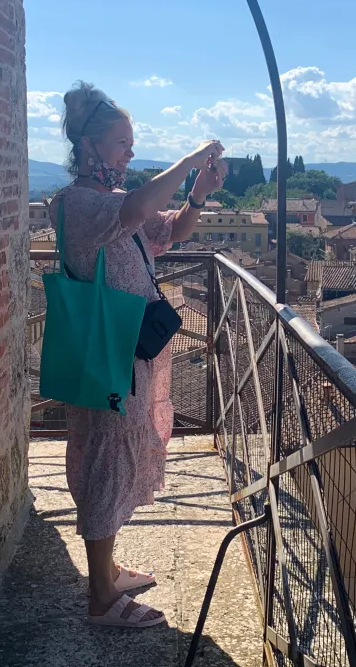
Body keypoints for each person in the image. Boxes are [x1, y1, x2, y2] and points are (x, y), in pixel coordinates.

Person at [51, 81, 226, 628]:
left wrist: (197, 193)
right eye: (122, 142)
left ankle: (107, 568)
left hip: (130, 347)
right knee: (107, 458)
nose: (129, 151)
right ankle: (101, 598)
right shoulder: (77, 204)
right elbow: (137, 208)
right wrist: (187, 161)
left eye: (132, 142)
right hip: (109, 350)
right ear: (90, 148)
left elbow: (168, 229)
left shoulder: (109, 205)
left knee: (121, 451)